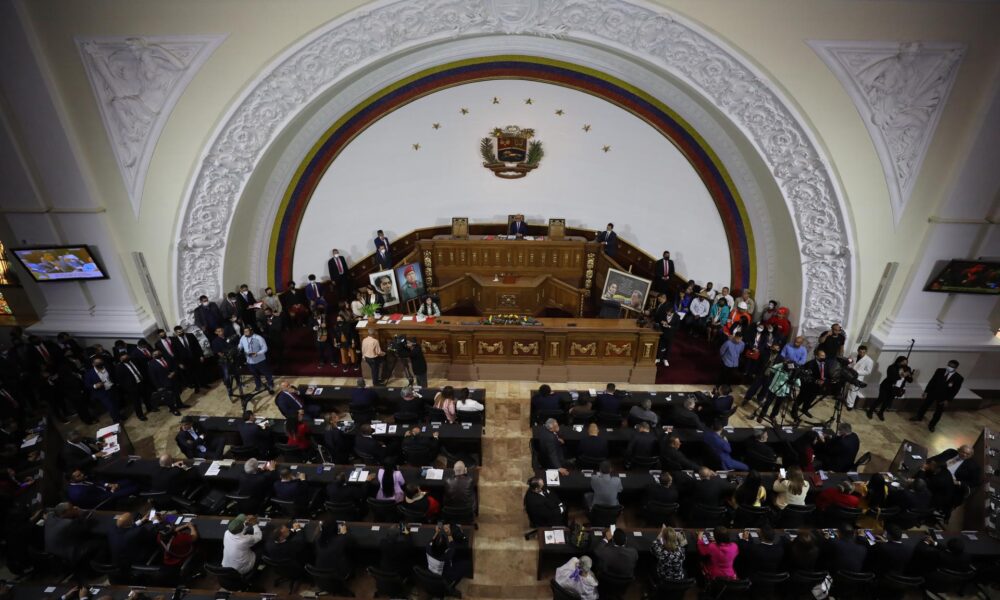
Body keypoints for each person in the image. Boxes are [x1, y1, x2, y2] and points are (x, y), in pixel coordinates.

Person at [911, 359, 964, 432]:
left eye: (952, 366)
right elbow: (932, 381)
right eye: (949, 365)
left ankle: (932, 425)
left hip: (943, 397)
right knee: (924, 405)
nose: (949, 367)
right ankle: (918, 417)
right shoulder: (940, 371)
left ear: (955, 368)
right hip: (933, 393)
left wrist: (948, 400)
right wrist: (926, 391)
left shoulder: (958, 378)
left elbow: (955, 390)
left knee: (938, 412)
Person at [869, 355, 913, 421]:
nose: (905, 364)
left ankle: (881, 413)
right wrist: (902, 375)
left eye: (906, 362)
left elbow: (910, 380)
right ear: (899, 361)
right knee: (881, 399)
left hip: (895, 389)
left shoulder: (907, 369)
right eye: (903, 362)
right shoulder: (892, 367)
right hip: (886, 386)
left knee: (887, 401)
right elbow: (891, 378)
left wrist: (909, 375)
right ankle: (870, 411)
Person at [84, 356, 122, 423]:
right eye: (97, 363)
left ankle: (119, 416)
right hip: (103, 393)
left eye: (100, 362)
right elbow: (87, 385)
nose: (99, 363)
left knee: (116, 404)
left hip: (112, 389)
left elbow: (113, 375)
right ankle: (116, 422)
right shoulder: (89, 373)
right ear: (93, 364)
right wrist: (95, 385)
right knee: (111, 408)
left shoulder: (107, 367)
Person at [238, 326, 274, 393]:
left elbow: (265, 348)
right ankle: (258, 386)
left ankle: (270, 385)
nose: (245, 333)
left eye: (247, 331)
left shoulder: (258, 338)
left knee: (267, 374)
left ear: (251, 331)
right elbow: (240, 345)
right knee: (255, 375)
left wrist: (257, 353)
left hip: (260, 360)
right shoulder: (243, 337)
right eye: (244, 331)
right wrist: (239, 348)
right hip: (250, 361)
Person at [845, 345, 874, 410]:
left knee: (853, 391)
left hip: (858, 377)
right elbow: (849, 361)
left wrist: (857, 371)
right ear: (858, 351)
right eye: (860, 352)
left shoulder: (869, 360)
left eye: (863, 352)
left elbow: (868, 371)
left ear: (866, 352)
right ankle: (845, 399)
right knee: (847, 387)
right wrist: (848, 366)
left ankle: (850, 405)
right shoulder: (853, 354)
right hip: (849, 374)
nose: (861, 354)